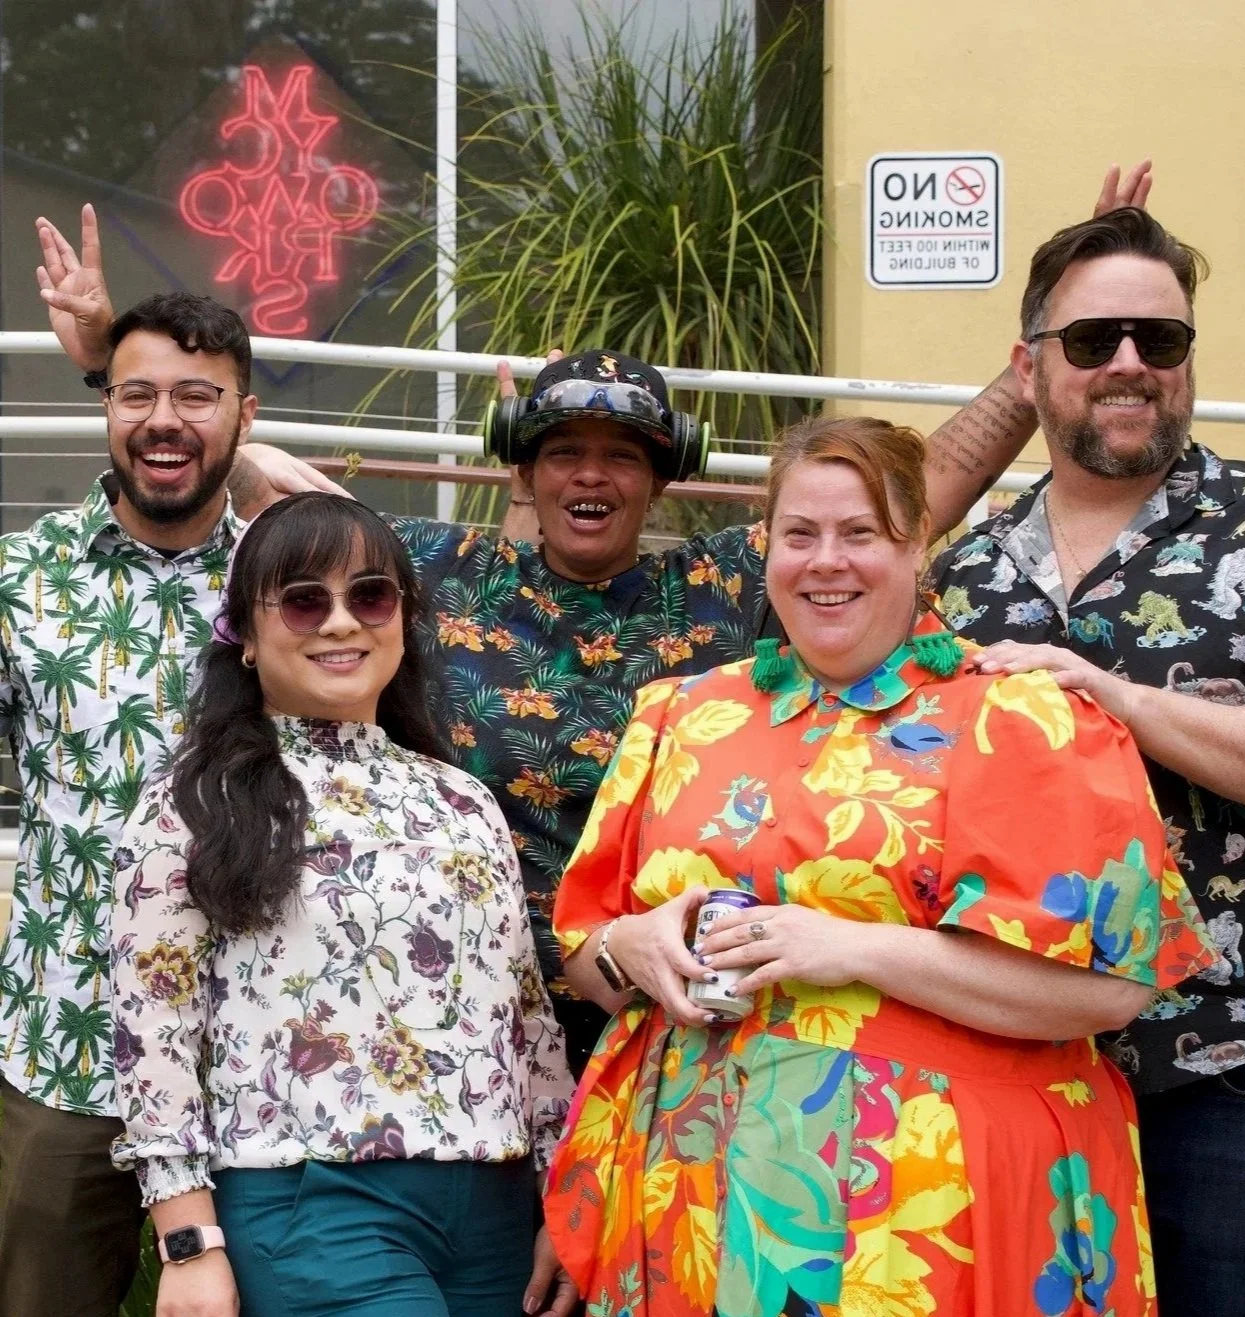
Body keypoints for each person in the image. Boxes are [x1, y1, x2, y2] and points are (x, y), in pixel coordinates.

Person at [42, 206, 1050, 1076]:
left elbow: (916, 490)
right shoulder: (438, 566)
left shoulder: (721, 580)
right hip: (463, 1005)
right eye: (563, 454)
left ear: (664, 479)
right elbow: (224, 458)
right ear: (522, 472)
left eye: (622, 457)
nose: (590, 478)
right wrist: (108, 366)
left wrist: (1039, 360)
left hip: (662, 1001)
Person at [542, 413, 1215, 1317]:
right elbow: (587, 957)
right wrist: (637, 945)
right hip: (693, 1186)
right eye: (799, 534)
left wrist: (848, 948)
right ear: (766, 548)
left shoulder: (1020, 717)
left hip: (933, 1200)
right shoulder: (680, 715)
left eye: (861, 533)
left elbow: (1108, 986)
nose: (827, 561)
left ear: (916, 546)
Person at [926, 205, 1245, 1316]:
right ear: (1031, 368)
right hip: (1014, 1063)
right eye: (1094, 342)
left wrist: (1111, 697)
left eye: (1164, 339)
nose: (1131, 366)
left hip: (1237, 1062)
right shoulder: (972, 572)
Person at [110, 492, 576, 1317]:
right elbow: (153, 1030)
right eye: (301, 599)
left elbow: (525, 1016)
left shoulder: (462, 798)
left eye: (369, 594)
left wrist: (560, 1198)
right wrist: (188, 1242)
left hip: (497, 1211)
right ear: (246, 639)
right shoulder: (195, 800)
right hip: (313, 1202)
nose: (339, 622)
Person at [0, 283, 260, 1317]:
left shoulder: (292, 580)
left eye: (199, 395)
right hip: (65, 1047)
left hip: (254, 1060)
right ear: (102, 407)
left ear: (247, 415)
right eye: (135, 394)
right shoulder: (21, 577)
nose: (163, 418)